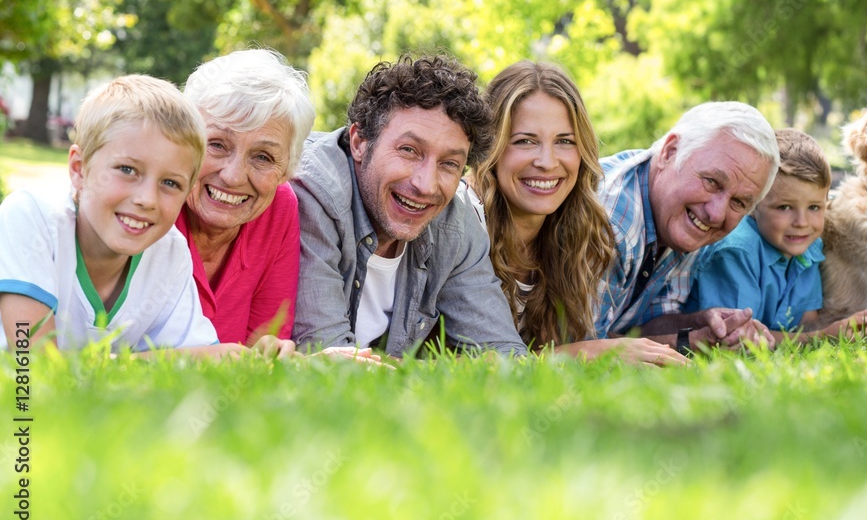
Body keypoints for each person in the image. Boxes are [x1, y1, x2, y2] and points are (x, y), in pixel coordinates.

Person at [291, 54, 527, 358]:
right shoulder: (314, 193)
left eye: (449, 163)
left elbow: (503, 355)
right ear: (360, 142)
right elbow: (328, 359)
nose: (426, 185)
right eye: (409, 150)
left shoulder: (455, 224)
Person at [463, 61, 687, 366]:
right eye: (525, 141)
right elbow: (474, 362)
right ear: (491, 148)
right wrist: (589, 352)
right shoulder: (461, 221)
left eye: (565, 141)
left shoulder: (579, 230)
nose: (547, 161)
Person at [0, 75, 228, 354]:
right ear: (79, 169)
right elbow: (32, 368)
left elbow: (201, 362)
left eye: (170, 183)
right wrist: (136, 363)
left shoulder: (169, 250)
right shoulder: (30, 219)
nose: (147, 200)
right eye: (127, 170)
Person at [594, 101, 781, 355]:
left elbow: (639, 327)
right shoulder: (612, 222)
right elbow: (578, 344)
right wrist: (691, 342)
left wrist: (704, 324)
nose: (716, 214)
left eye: (739, 202)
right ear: (670, 152)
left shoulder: (679, 215)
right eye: (712, 182)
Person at [682, 128, 867, 342]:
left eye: (814, 207)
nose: (802, 223)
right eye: (785, 207)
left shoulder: (809, 248)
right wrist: (822, 337)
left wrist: (847, 328)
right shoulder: (737, 250)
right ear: (753, 204)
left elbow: (806, 323)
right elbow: (736, 338)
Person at [178, 49, 315, 354]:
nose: (233, 176)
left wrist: (271, 352)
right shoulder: (152, 204)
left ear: (286, 170)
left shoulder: (278, 208)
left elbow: (260, 350)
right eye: (216, 144)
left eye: (263, 157)